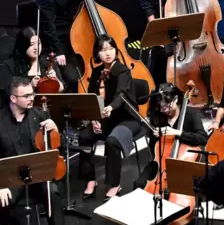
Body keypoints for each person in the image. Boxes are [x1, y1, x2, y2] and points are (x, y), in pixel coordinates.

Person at [78, 35, 141, 202]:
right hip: (106, 118)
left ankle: (114, 184)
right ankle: (90, 179)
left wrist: (110, 107)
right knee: (83, 137)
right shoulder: (97, 71)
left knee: (113, 141)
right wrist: (93, 119)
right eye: (103, 49)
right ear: (97, 53)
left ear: (116, 50)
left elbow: (121, 95)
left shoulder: (123, 71)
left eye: (111, 48)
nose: (108, 53)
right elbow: (91, 97)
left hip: (127, 118)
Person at [0, 77, 64, 225]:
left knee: (52, 192)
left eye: (32, 93)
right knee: (2, 201)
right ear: (13, 98)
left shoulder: (40, 115)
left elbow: (56, 147)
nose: (32, 98)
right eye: (27, 96)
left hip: (37, 174)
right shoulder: (0, 121)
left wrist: (55, 130)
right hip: (11, 178)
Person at [36, 0, 96, 92]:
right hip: (57, 44)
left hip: (73, 40)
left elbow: (75, 3)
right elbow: (48, 26)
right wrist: (58, 51)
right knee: (73, 78)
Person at [133, 83, 208, 189]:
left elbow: (203, 138)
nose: (165, 111)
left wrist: (177, 132)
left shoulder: (190, 115)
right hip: (162, 163)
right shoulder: (158, 116)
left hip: (183, 162)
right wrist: (152, 133)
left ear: (176, 99)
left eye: (167, 106)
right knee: (138, 184)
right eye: (161, 108)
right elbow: (154, 148)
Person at [0, 27, 65, 106]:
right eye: (31, 44)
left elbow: (61, 90)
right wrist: (29, 85)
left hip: (45, 106)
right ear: (23, 45)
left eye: (39, 43)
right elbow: (6, 92)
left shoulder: (48, 63)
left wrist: (55, 79)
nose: (36, 48)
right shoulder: (10, 65)